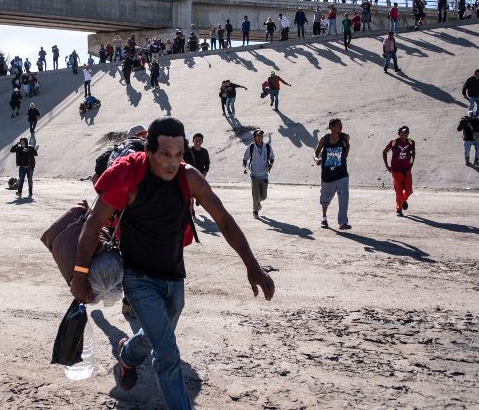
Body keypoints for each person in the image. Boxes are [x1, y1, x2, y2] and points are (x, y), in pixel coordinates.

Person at [71, 117, 275, 409]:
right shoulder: (129, 176)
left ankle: (127, 356)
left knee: (155, 334)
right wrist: (80, 273)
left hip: (174, 276)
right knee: (167, 353)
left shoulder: (188, 177)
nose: (172, 162)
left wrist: (252, 265)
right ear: (148, 151)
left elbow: (224, 219)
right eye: (165, 154)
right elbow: (93, 223)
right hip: (138, 279)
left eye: (178, 154)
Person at [314, 119, 351, 230]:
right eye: (338, 125)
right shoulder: (324, 139)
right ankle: (324, 218)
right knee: (325, 200)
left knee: (344, 197)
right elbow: (316, 152)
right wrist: (317, 159)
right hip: (327, 175)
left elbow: (347, 148)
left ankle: (343, 223)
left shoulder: (344, 137)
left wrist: (345, 155)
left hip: (342, 174)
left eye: (341, 125)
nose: (341, 127)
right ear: (331, 126)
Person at [382, 126, 415, 216]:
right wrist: (387, 166)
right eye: (402, 133)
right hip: (396, 171)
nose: (404, 134)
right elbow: (384, 152)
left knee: (409, 191)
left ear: (408, 134)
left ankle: (403, 200)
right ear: (399, 134)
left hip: (407, 170)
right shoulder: (394, 142)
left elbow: (413, 152)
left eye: (406, 133)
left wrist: (412, 163)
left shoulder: (411, 142)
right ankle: (399, 209)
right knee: (399, 192)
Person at [243, 129, 274, 217]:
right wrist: (245, 167)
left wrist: (271, 165)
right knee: (255, 196)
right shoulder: (251, 147)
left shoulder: (267, 146)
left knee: (263, 196)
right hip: (254, 175)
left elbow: (272, 157)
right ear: (255, 137)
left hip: (264, 175)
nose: (260, 137)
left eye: (261, 135)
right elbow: (245, 158)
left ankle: (257, 203)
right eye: (258, 135)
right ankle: (255, 211)